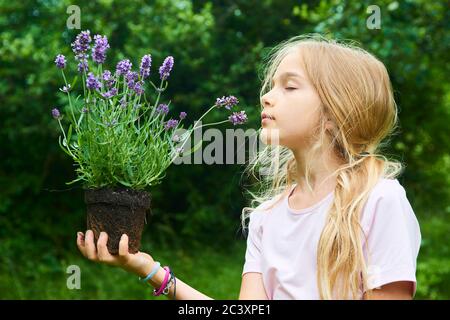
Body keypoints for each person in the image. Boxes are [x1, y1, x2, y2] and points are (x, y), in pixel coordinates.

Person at [76, 35, 421, 300]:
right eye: (270, 86)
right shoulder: (266, 217)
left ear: (334, 114)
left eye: (289, 86)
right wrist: (149, 269)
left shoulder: (378, 201)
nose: (266, 97)